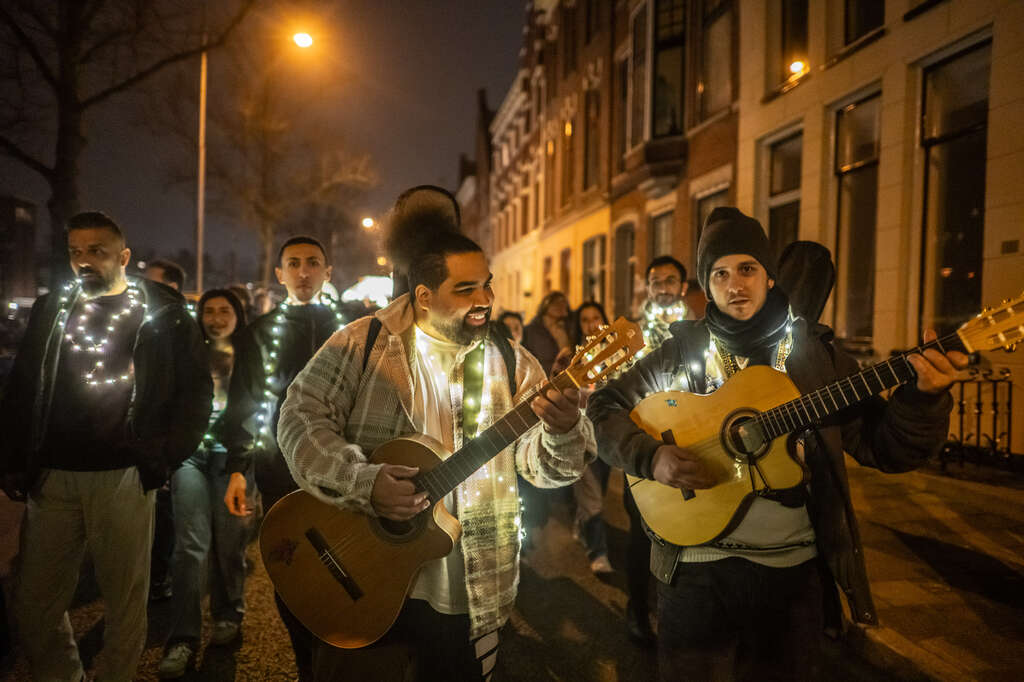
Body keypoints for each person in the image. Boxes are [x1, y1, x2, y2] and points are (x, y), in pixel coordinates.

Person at [587, 206, 967, 681]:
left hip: (792, 578)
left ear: (769, 277)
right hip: (694, 578)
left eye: (747, 269)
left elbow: (887, 447)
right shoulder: (678, 351)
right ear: (706, 285)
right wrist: (652, 456)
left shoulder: (815, 359)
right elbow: (603, 409)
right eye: (720, 273)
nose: (735, 284)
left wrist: (923, 398)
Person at [276, 187, 594, 680]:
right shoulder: (364, 342)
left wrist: (564, 428)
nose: (485, 300)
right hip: (357, 582)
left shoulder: (511, 361)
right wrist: (365, 482)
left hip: (471, 593)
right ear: (424, 296)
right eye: (465, 289)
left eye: (486, 285)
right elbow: (299, 420)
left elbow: (551, 470)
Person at [0, 211, 211, 682]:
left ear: (123, 256)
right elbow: (23, 385)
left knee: (125, 603)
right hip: (52, 476)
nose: (84, 261)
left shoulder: (163, 313)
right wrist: (13, 459)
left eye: (97, 251)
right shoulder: (52, 309)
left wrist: (161, 456)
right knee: (35, 604)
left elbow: (195, 392)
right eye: (75, 251)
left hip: (123, 474)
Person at [220, 235, 345, 679]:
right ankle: (306, 662)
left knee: (343, 564)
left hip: (343, 469)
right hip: (279, 470)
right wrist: (239, 468)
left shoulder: (353, 331)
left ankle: (340, 654)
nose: (304, 271)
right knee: (289, 566)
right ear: (280, 275)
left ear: (328, 272)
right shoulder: (258, 334)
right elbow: (244, 401)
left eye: (313, 263)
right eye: (294, 263)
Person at [158, 289, 253, 678]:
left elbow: (255, 408)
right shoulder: (188, 353)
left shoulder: (250, 354)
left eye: (224, 310)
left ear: (237, 315)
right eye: (208, 311)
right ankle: (182, 638)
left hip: (233, 458)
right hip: (190, 456)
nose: (215, 318)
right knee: (190, 547)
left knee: (230, 542)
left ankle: (229, 614)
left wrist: (242, 462)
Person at [142, 257, 186, 601]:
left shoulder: (180, 328)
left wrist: (174, 448)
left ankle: (160, 575)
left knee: (164, 512)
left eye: (153, 283)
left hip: (166, 442)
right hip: (141, 442)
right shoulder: (141, 324)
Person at [519, 291, 573, 545]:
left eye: (565, 303)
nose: (562, 306)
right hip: (540, 388)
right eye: (557, 303)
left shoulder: (568, 327)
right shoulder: (533, 329)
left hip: (566, 388)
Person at [567, 301, 613, 574]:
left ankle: (580, 519)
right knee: (592, 495)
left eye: (596, 317)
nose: (591, 324)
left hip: (606, 434)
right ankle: (599, 553)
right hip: (580, 434)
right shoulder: (571, 357)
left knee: (600, 489)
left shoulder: (615, 354)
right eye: (585, 319)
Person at [640, 255, 690, 348]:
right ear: (648, 290)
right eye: (656, 283)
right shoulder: (635, 335)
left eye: (670, 281)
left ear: (684, 287)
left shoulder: (697, 331)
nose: (663, 289)